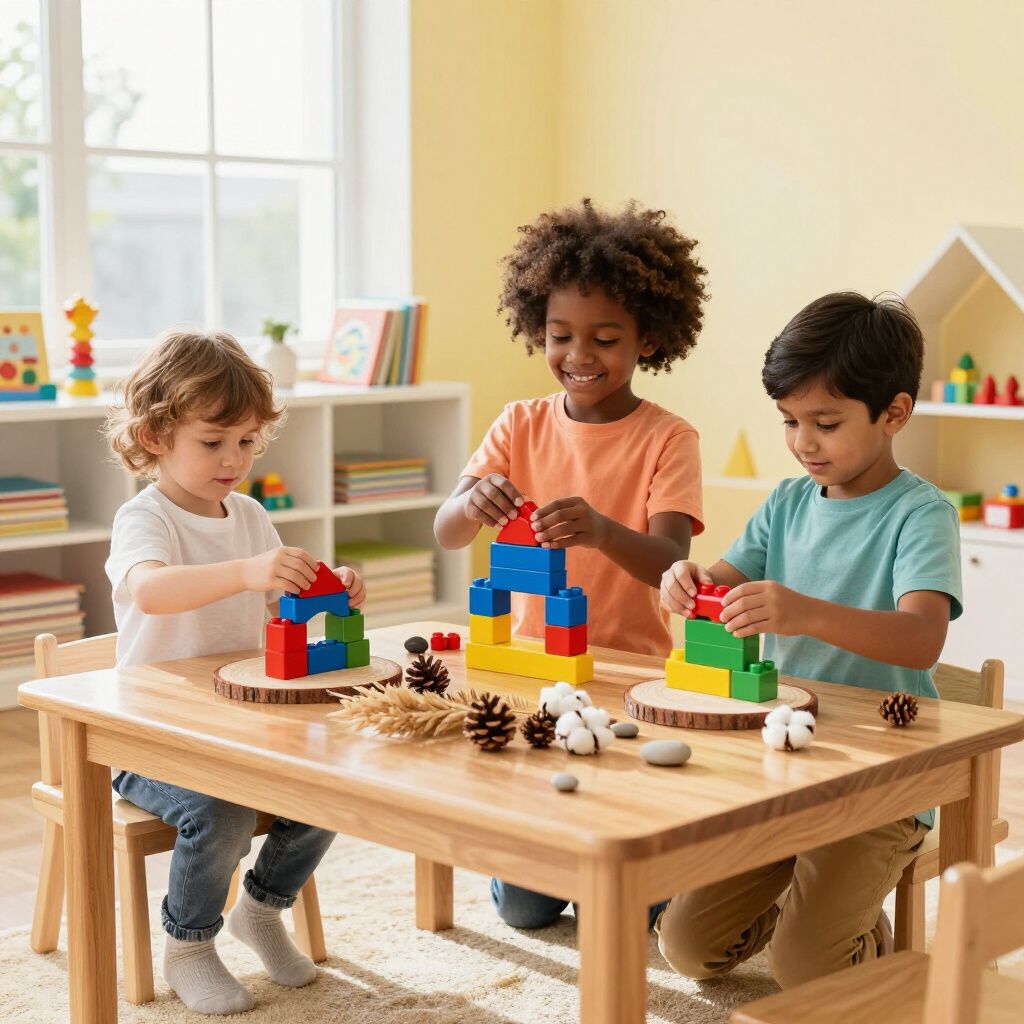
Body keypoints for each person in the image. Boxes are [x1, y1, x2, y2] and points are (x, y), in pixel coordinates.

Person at [657, 292, 962, 987]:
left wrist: (804, 613)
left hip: (886, 777)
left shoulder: (921, 514)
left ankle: (855, 945)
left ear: (894, 413)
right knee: (685, 946)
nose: (802, 442)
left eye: (825, 423)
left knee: (807, 971)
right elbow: (721, 583)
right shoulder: (787, 503)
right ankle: (817, 911)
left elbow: (921, 640)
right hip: (790, 765)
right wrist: (687, 582)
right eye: (790, 421)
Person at [435, 197, 709, 928]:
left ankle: (645, 872)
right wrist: (473, 500)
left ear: (648, 340)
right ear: (538, 330)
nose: (580, 357)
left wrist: (600, 531)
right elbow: (448, 533)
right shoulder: (518, 423)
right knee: (525, 910)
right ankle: (533, 864)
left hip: (626, 671)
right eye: (561, 336)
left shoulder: (668, 438)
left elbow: (669, 565)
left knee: (638, 902)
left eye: (605, 338)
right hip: (532, 672)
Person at [104, 329, 365, 1013]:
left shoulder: (249, 514)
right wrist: (247, 571)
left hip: (238, 722)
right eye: (213, 442)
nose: (234, 459)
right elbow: (150, 590)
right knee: (220, 811)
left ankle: (261, 907)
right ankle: (189, 944)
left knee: (329, 785)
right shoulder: (144, 517)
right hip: (147, 737)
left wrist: (330, 591)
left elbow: (284, 602)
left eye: (247, 441)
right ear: (154, 435)